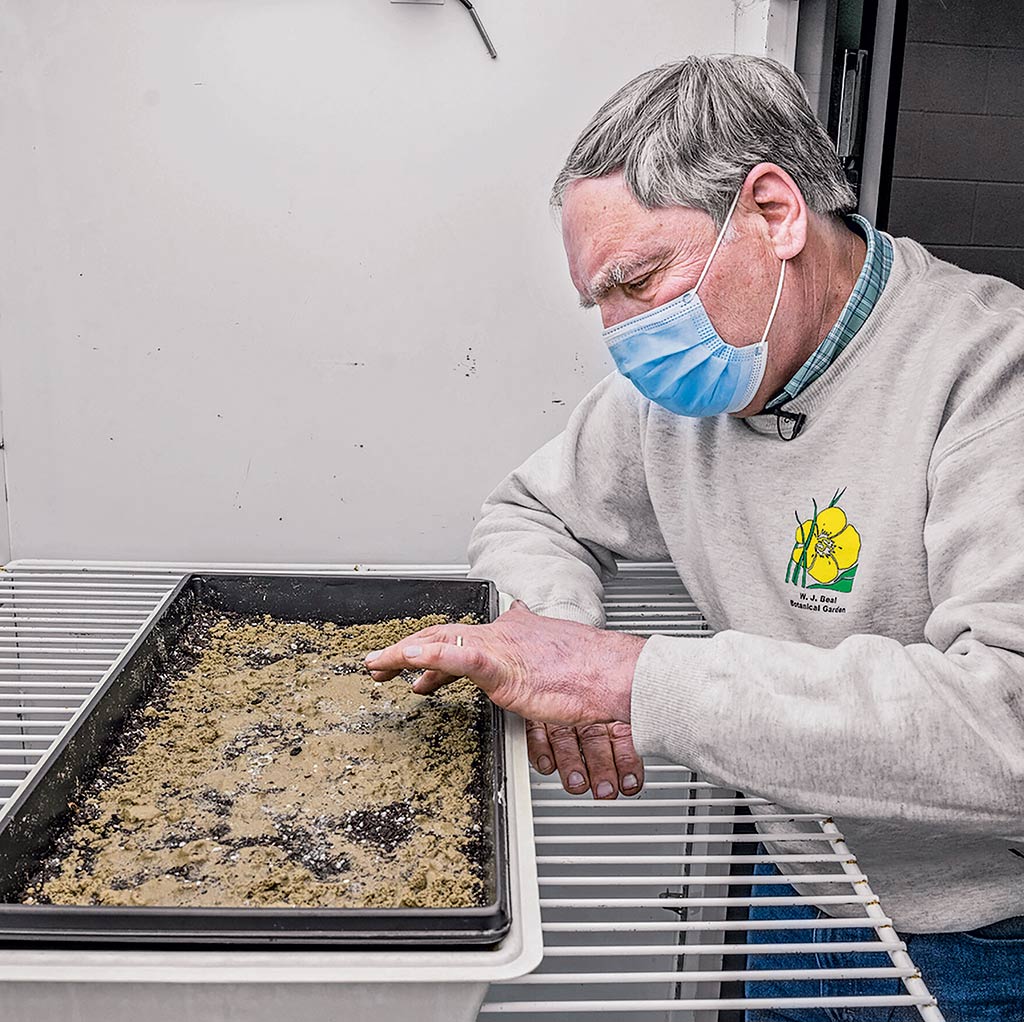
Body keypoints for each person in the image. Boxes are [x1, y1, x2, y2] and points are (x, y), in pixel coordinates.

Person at [365, 54, 1024, 1020]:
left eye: (640, 280)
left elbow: (1007, 725)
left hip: (987, 943)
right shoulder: (673, 391)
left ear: (773, 212)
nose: (626, 335)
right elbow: (533, 513)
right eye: (603, 303)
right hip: (798, 896)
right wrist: (551, 648)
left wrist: (624, 678)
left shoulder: (989, 374)